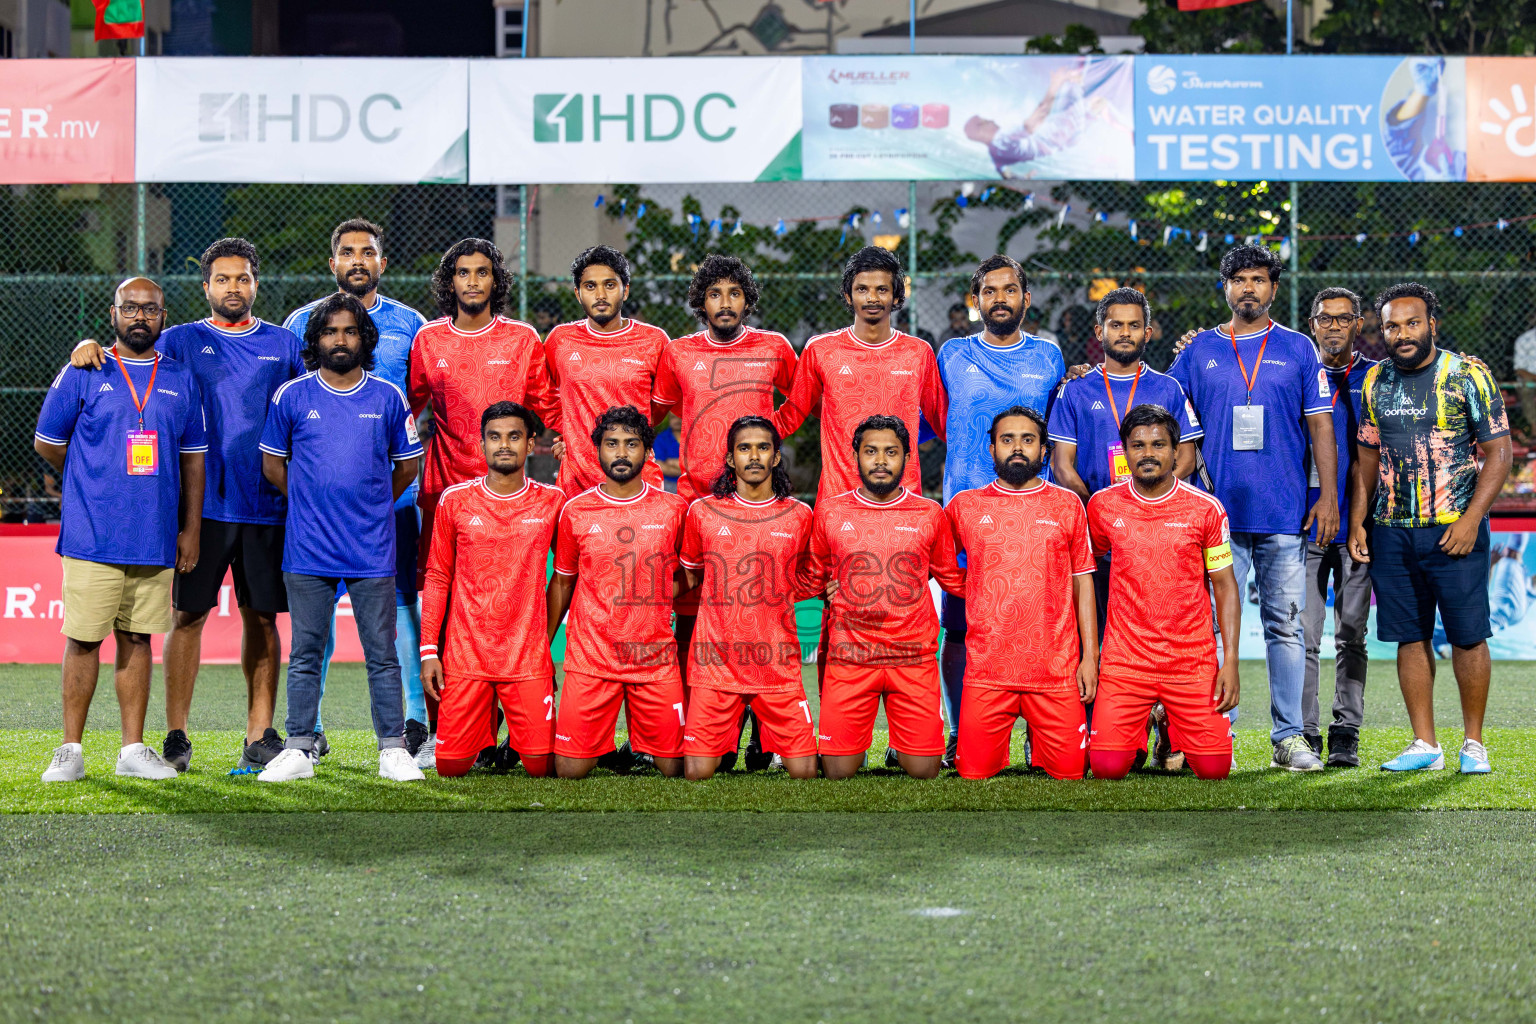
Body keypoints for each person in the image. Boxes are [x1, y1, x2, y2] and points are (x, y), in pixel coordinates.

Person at [68, 237, 303, 773]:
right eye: (222, 279)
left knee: (262, 618)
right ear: (206, 287)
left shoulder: (284, 344)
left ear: (255, 284)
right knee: (187, 615)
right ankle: (177, 734)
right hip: (203, 509)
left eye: (242, 278)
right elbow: (128, 357)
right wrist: (88, 345)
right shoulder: (176, 340)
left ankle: (259, 733)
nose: (233, 287)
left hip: (267, 506)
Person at [1169, 244, 1338, 773]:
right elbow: (1163, 413)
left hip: (1285, 514)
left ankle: (1290, 737)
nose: (1249, 288)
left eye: (1259, 279)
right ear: (1225, 287)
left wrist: (1327, 498)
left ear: (1273, 287)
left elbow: (1320, 427)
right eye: (1239, 279)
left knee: (1285, 627)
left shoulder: (1299, 349)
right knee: (1211, 629)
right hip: (1214, 519)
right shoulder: (1197, 352)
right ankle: (1213, 732)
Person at [37, 277, 207, 782]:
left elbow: (193, 461)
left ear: (163, 315)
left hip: (154, 535)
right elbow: (49, 442)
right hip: (93, 533)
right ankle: (70, 749)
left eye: (149, 309)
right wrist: (94, 468)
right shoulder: (84, 368)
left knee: (137, 640)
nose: (139, 316)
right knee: (84, 640)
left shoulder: (180, 377)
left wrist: (190, 530)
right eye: (129, 308)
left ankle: (132, 749)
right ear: (113, 313)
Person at [255, 293, 425, 783]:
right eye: (330, 332)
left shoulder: (388, 398)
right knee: (306, 650)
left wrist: (369, 505)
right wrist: (311, 500)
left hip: (371, 548)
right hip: (308, 547)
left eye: (350, 331)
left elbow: (407, 465)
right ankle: (299, 747)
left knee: (381, 652)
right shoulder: (292, 396)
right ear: (317, 339)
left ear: (364, 338)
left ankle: (392, 748)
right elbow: (272, 464)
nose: (340, 339)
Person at [408, 237, 562, 764]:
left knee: (511, 607)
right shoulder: (429, 340)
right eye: (463, 273)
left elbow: (547, 406)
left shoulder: (522, 339)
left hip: (516, 499)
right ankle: (440, 732)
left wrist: (569, 444)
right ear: (449, 282)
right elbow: (408, 406)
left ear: (496, 281)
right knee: (449, 610)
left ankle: (510, 727)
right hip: (446, 494)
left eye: (482, 273)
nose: (473, 282)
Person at [283, 218, 432, 763]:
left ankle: (414, 726)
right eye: (347, 252)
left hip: (390, 507)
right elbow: (289, 406)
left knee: (400, 614)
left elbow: (420, 402)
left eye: (367, 252)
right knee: (312, 628)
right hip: (317, 512)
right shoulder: (302, 321)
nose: (357, 260)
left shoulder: (411, 324)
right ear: (333, 263)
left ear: (382, 262)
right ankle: (310, 732)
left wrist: (385, 484)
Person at [1350, 282, 1511, 774]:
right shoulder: (1375, 381)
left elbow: (1500, 453)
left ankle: (1473, 744)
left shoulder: (1467, 373)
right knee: (1408, 636)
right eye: (1391, 326)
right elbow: (1367, 459)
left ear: (1431, 325)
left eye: (1411, 323)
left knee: (1467, 636)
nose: (1401, 334)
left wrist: (1470, 520)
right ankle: (1425, 744)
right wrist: (1360, 521)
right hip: (1393, 530)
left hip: (1454, 530)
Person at [651, 255, 798, 766]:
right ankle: (710, 733)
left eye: (735, 293)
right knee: (695, 617)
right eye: (715, 294)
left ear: (747, 300)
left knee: (761, 614)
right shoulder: (679, 352)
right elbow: (656, 411)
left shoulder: (774, 347)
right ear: (701, 302)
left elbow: (800, 401)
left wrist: (766, 438)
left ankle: (766, 740)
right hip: (697, 500)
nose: (725, 303)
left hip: (761, 501)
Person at [932, 253, 1067, 765]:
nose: (1000, 299)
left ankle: (1040, 733)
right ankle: (960, 730)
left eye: (1010, 290)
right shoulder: (952, 354)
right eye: (989, 291)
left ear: (1025, 299)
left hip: (1035, 514)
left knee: (1039, 625)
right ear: (976, 301)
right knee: (962, 627)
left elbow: (1059, 421)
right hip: (966, 517)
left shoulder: (1050, 357)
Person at [801, 415, 965, 780]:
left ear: (907, 457)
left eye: (891, 452)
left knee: (924, 771)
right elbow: (811, 577)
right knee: (838, 772)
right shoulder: (830, 511)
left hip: (912, 657)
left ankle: (903, 744)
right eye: (871, 451)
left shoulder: (929, 513)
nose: (880, 461)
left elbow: (954, 578)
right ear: (855, 456)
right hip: (851, 657)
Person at [1086, 405, 1241, 781]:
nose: (1148, 453)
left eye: (1159, 444)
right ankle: (1139, 731)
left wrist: (1231, 661)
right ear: (1125, 451)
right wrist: (1093, 652)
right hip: (1126, 662)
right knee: (1107, 767)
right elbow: (1090, 571)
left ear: (1176, 451)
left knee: (1214, 769)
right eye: (1138, 445)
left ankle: (1171, 725)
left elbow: (1225, 585)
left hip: (1190, 661)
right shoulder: (1103, 506)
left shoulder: (1206, 509)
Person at [945, 407, 1097, 780]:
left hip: (1054, 672)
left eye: (1028, 440)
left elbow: (1083, 583)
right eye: (1007, 439)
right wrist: (969, 586)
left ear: (1044, 451)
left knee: (1071, 773)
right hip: (987, 672)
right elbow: (931, 555)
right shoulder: (965, 505)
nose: (1017, 448)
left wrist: (1090, 657)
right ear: (992, 448)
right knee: (973, 775)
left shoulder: (1067, 504)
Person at [420, 401, 565, 779]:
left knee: (542, 767)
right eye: (495, 437)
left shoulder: (552, 502)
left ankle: (513, 733)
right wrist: (428, 652)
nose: (505, 445)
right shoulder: (455, 500)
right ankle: (486, 725)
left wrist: (542, 637)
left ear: (531, 444)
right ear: (481, 445)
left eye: (514, 437)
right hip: (467, 656)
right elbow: (437, 577)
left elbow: (565, 576)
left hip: (526, 658)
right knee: (449, 768)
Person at [546, 406, 689, 779]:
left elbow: (691, 573)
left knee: (676, 769)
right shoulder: (575, 510)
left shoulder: (674, 509)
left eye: (631, 444)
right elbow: (562, 581)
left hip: (653, 659)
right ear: (597, 450)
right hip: (592, 658)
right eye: (612, 444)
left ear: (648, 452)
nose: (621, 453)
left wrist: (657, 595)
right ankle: (607, 745)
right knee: (569, 771)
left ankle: (635, 746)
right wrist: (540, 648)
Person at [1050, 287, 1202, 635]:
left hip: (1157, 528)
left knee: (1158, 626)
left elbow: (1187, 458)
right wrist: (1102, 512)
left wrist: (1149, 508)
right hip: (1099, 532)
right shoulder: (1076, 388)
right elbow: (1062, 466)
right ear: (1099, 331)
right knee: (1098, 628)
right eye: (1116, 325)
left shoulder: (1168, 388)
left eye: (1134, 326)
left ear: (1147, 333)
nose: (1124, 333)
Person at [678, 416, 816, 780]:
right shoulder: (703, 512)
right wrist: (647, 593)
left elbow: (808, 576)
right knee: (696, 773)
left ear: (775, 457)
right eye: (744, 448)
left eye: (763, 447)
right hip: (716, 664)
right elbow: (691, 574)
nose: (753, 456)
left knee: (805, 771)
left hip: (777, 663)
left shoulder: (801, 516)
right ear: (729, 458)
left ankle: (761, 741)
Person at [775, 246, 945, 504]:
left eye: (882, 289)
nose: (872, 297)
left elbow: (943, 420)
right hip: (838, 500)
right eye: (862, 289)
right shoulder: (821, 350)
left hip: (903, 499)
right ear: (848, 295)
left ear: (897, 297)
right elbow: (792, 413)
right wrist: (736, 437)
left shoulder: (918, 352)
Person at [1302, 288, 1377, 767]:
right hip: (1305, 525)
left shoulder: (1378, 376)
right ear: (1313, 325)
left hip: (1359, 528)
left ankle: (1345, 729)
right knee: (1303, 634)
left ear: (1358, 325)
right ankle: (1304, 732)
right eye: (1324, 319)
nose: (1333, 327)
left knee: (1351, 633)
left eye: (1343, 319)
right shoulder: (1298, 372)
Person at [545, 246, 671, 498]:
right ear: (577, 294)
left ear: (625, 290)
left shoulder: (654, 340)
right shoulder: (560, 340)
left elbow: (660, 404)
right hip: (576, 482)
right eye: (590, 286)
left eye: (610, 285)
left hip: (638, 478)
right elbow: (543, 394)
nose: (600, 294)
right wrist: (570, 429)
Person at [962, 63, 1130, 178]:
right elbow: (1037, 118)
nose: (991, 120)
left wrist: (1022, 179)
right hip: (1057, 133)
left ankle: (1123, 131)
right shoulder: (1002, 139)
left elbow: (1003, 173)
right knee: (1095, 99)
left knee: (1094, 105)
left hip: (1060, 143)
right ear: (981, 131)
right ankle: (1126, 131)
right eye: (985, 121)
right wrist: (1055, 85)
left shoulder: (994, 153)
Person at [1510, 309, 1536, 439]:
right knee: (1525, 388)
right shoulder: (1524, 340)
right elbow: (1519, 369)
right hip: (1530, 379)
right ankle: (1534, 430)